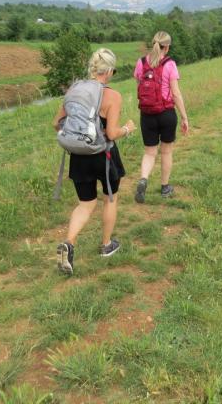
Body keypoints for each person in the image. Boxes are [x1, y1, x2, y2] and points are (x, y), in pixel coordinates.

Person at [52, 48, 136, 274]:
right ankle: (107, 245)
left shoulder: (74, 90)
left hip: (78, 157)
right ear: (108, 71)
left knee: (85, 203)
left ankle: (68, 243)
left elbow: (56, 123)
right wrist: (127, 129)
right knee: (110, 199)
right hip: (103, 156)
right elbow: (111, 134)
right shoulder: (112, 96)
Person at [133, 31, 189, 202]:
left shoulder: (141, 62)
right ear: (167, 46)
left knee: (150, 152)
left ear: (154, 44)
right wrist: (184, 117)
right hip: (166, 113)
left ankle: (143, 179)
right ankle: (165, 187)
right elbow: (176, 93)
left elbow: (139, 86)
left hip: (147, 114)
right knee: (166, 152)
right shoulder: (170, 64)